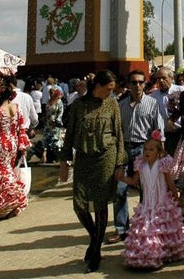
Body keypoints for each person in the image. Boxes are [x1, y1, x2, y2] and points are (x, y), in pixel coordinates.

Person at [60, 70, 125, 273]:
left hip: (106, 155)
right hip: (84, 157)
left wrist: (120, 163)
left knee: (100, 204)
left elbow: (119, 133)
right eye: (108, 89)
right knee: (79, 204)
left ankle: (95, 251)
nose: (110, 93)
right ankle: (95, 238)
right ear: (97, 86)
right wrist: (64, 161)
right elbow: (70, 133)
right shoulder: (79, 105)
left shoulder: (112, 104)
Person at [117, 133, 184, 269]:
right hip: (147, 205)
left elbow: (170, 184)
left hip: (161, 202)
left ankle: (165, 253)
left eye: (151, 149)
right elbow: (133, 181)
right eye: (145, 149)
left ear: (158, 152)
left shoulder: (163, 165)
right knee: (146, 229)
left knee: (162, 228)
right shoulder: (140, 165)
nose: (147, 152)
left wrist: (177, 197)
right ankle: (148, 255)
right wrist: (122, 178)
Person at [113, 70, 167, 241]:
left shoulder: (152, 103)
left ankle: (145, 226)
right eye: (134, 82)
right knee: (120, 189)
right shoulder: (120, 105)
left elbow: (157, 131)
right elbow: (117, 132)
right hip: (124, 150)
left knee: (146, 190)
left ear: (145, 84)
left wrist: (157, 152)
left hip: (144, 150)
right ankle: (121, 229)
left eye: (140, 82)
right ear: (128, 85)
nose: (137, 86)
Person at [0, 84, 30, 219]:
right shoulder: (16, 108)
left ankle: (7, 203)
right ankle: (12, 200)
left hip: (1, 141)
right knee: (8, 170)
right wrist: (22, 147)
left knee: (1, 171)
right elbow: (21, 128)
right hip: (13, 142)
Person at [41, 86, 66, 163]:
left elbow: (60, 113)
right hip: (48, 123)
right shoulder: (49, 101)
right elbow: (46, 111)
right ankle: (47, 156)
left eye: (52, 92)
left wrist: (57, 121)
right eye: (50, 93)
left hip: (55, 124)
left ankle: (56, 157)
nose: (50, 94)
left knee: (55, 140)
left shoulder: (59, 102)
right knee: (46, 140)